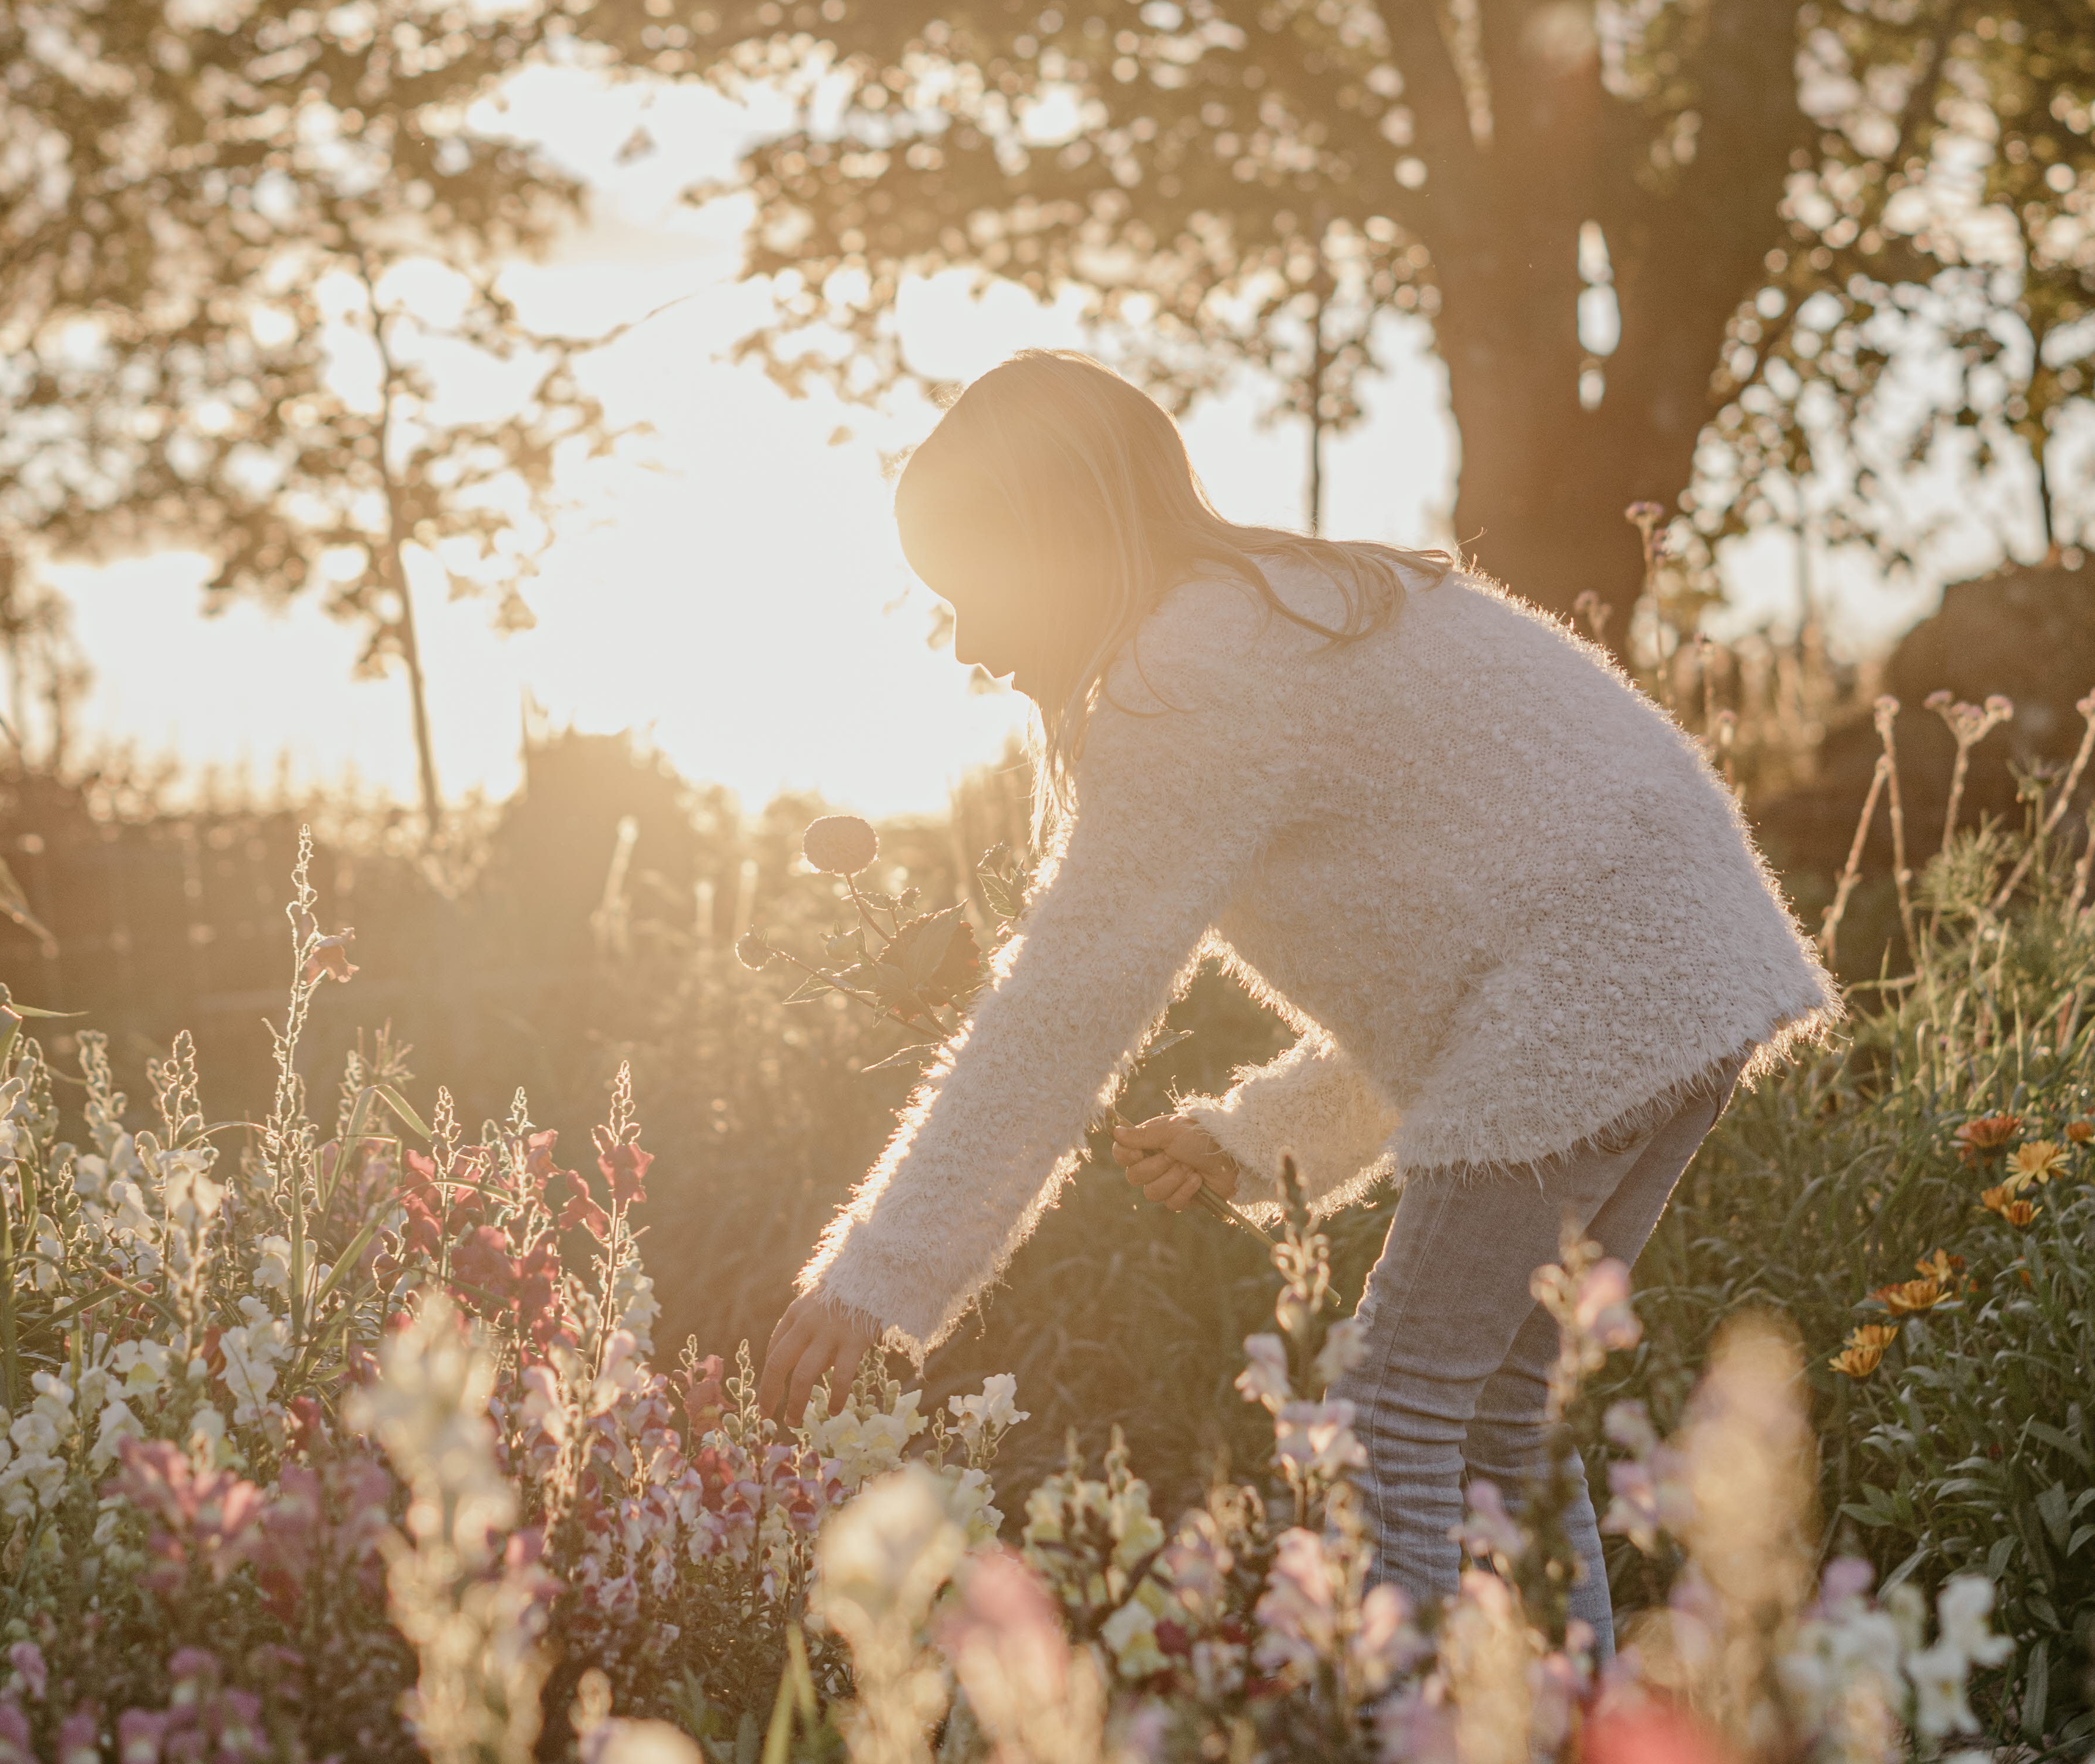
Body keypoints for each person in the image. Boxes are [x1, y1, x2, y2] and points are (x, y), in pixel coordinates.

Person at [758, 349, 1836, 1653]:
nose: (967, 645)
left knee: (1395, 1411)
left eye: (967, 594)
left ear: (1048, 541)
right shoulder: (1281, 606)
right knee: (1494, 1408)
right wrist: (1256, 1131)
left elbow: (1065, 1007)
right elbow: (1456, 950)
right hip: (1673, 970)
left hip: (1593, 989)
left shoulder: (1190, 674)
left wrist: (879, 1275)